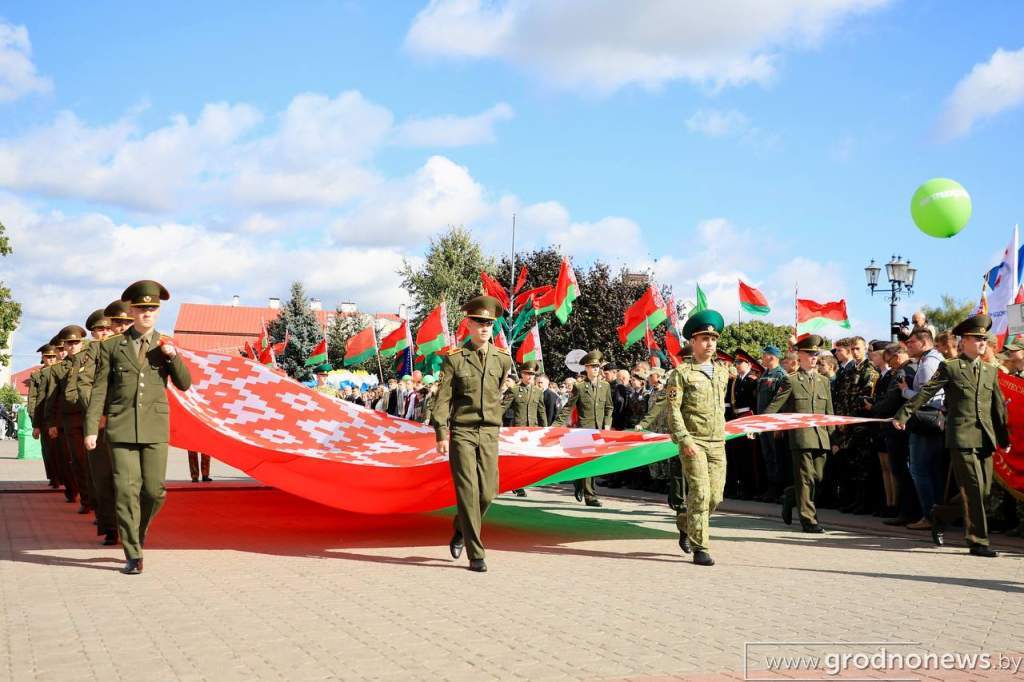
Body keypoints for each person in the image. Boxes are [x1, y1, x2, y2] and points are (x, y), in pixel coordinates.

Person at [85, 280, 193, 575]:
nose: (147, 313)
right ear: (131, 311)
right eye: (142, 308)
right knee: (125, 490)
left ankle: (137, 531)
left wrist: (173, 357)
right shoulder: (111, 346)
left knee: (155, 491)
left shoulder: (165, 345)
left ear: (157, 312)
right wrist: (92, 428)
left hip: (154, 428)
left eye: (152, 308)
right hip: (120, 428)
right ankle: (133, 553)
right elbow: (99, 390)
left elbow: (185, 384)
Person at [894, 314, 1009, 557]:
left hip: (984, 438)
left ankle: (940, 514)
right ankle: (978, 541)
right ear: (963, 341)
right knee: (974, 489)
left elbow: (997, 407)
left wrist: (1003, 438)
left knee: (983, 492)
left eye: (984, 339)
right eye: (976, 339)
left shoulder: (990, 370)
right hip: (961, 437)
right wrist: (904, 414)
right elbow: (927, 392)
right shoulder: (951, 367)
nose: (982, 343)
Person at [429, 295, 512, 573]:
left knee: (488, 492)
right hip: (462, 431)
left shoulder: (503, 359)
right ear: (469, 325)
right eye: (479, 322)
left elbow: (497, 393)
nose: (484, 327)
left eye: (489, 323)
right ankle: (476, 554)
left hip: (489, 432)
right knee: (467, 491)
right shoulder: (454, 359)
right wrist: (441, 433)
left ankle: (460, 527)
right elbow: (442, 400)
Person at [662, 310, 729, 566]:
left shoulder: (722, 372)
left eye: (713, 339)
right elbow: (673, 410)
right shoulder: (681, 373)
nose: (709, 343)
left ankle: (684, 522)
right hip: (694, 442)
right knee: (700, 493)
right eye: (704, 339)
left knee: (715, 497)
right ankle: (701, 547)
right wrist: (684, 439)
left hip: (718, 442)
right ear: (693, 342)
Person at [765, 335, 835, 534]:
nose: (814, 358)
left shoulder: (823, 381)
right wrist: (759, 423)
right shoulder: (791, 380)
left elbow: (829, 410)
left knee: (818, 477)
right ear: (800, 355)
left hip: (821, 437)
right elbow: (775, 405)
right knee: (806, 479)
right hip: (801, 437)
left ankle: (790, 495)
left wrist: (834, 437)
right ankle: (809, 520)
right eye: (810, 354)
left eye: (816, 354)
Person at [898, 327, 948, 533]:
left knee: (919, 470)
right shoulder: (931, 360)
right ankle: (937, 515)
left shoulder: (929, 364)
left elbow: (927, 397)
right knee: (932, 471)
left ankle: (930, 515)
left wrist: (905, 391)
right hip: (932, 422)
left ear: (925, 342)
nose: (908, 345)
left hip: (926, 422)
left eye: (912, 342)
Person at [554, 350, 613, 507]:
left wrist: (607, 424)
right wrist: (555, 427)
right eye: (592, 366)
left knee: (594, 463)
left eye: (597, 366)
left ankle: (580, 482)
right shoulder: (579, 387)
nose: (595, 369)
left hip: (599, 431)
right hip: (584, 430)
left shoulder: (605, 386)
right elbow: (568, 408)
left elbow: (609, 407)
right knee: (587, 462)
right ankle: (590, 496)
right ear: (586, 368)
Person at [504, 361, 548, 497]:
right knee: (517, 460)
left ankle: (521, 482)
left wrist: (545, 430)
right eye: (527, 374)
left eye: (532, 374)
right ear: (522, 374)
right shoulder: (514, 390)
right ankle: (517, 485)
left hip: (532, 431)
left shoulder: (537, 392)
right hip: (517, 431)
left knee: (526, 460)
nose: (529, 376)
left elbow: (541, 411)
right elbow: (502, 408)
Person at [755, 346, 787, 503]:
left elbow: (782, 401)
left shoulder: (780, 375)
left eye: (765, 355)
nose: (762, 357)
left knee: (777, 457)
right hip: (763, 423)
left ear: (772, 357)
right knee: (767, 456)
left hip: (774, 424)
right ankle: (771, 488)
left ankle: (780, 489)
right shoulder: (765, 374)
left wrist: (779, 426)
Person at [28, 344, 62, 489]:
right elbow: (32, 400)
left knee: (63, 451)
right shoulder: (37, 375)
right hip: (44, 419)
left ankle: (65, 478)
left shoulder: (63, 370)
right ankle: (54, 477)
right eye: (48, 357)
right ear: (43, 357)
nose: (51, 359)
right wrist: (35, 424)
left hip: (61, 417)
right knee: (49, 451)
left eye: (53, 356)